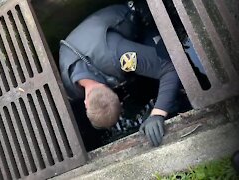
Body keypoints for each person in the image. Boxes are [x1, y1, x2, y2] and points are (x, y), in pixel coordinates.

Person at [59, 2, 180, 147]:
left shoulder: (119, 58)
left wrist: (158, 113)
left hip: (135, 19)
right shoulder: (67, 84)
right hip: (93, 36)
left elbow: (169, 69)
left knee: (170, 54)